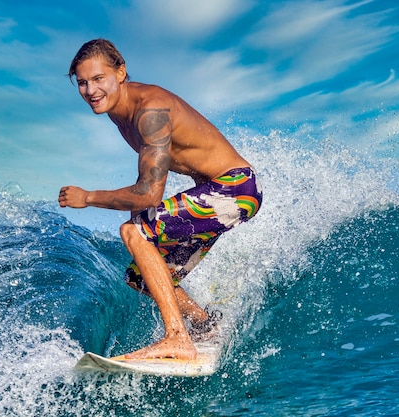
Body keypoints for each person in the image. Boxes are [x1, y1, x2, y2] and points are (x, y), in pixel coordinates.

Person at [58, 39, 263, 360]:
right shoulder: (118, 112)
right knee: (141, 277)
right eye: (83, 83)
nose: (90, 90)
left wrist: (88, 197)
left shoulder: (150, 112)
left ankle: (177, 338)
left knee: (133, 232)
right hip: (221, 191)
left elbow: (149, 193)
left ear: (121, 72)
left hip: (237, 189)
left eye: (98, 79)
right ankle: (205, 325)